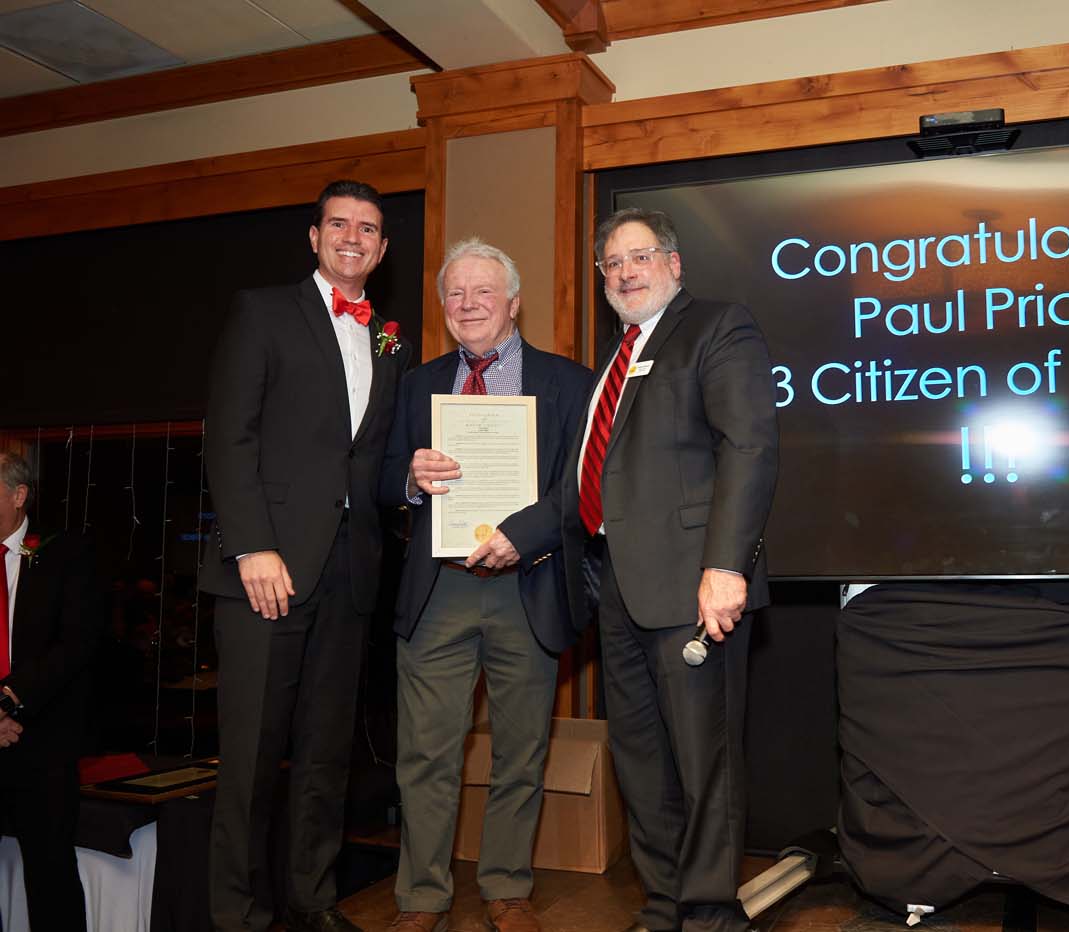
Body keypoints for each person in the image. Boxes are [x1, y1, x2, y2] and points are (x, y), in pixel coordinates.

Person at [499, 207, 780, 932]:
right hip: (616, 592)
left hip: (694, 587)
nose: (625, 272)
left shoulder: (717, 328)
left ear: (674, 264)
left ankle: (712, 913)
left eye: (640, 257)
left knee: (703, 761)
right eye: (612, 264)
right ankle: (665, 905)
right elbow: (578, 489)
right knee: (642, 759)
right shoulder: (615, 363)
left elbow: (748, 449)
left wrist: (725, 566)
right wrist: (511, 536)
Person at [201, 179, 410, 932]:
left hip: (350, 575)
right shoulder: (262, 312)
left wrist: (413, 479)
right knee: (252, 761)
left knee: (324, 759)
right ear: (315, 237)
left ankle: (313, 902)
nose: (353, 236)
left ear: (383, 249)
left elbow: (371, 458)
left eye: (369, 228)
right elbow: (230, 436)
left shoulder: (390, 335)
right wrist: (252, 544)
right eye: (340, 224)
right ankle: (238, 915)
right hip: (269, 571)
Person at [380, 239, 590, 932]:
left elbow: (583, 489)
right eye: (455, 295)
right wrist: (411, 477)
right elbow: (382, 478)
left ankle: (506, 885)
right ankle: (421, 896)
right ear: (443, 307)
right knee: (425, 753)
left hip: (526, 585)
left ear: (514, 302)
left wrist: (522, 536)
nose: (468, 305)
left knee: (522, 750)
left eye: (483, 293)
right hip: (437, 589)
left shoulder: (568, 382)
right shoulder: (416, 384)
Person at [0, 451, 101, 932]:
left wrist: (10, 699)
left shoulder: (65, 552)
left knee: (50, 876)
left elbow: (78, 643)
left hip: (40, 742)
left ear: (18, 496)